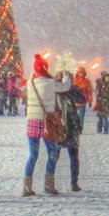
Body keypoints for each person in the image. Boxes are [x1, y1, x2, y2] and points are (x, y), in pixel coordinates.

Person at [24, 54, 63, 196]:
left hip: (32, 120)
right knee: (53, 152)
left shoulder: (30, 82)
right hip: (47, 122)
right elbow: (65, 86)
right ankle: (48, 185)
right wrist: (66, 76)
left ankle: (26, 187)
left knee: (33, 155)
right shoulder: (50, 82)